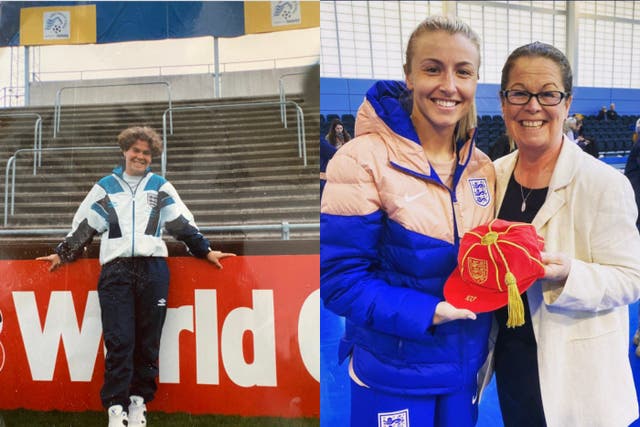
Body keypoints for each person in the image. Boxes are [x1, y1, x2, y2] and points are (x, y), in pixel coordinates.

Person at [321, 16, 495, 426]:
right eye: (433, 68)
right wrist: (428, 311)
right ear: (409, 76)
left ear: (475, 82)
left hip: (464, 370)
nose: (449, 85)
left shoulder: (481, 168)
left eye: (463, 71)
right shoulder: (361, 159)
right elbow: (341, 281)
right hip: (393, 371)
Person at [484, 41, 640, 427]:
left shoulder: (603, 183)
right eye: (519, 93)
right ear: (504, 103)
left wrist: (569, 273)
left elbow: (631, 278)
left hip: (579, 377)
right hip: (513, 364)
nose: (533, 106)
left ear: (567, 104)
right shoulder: (491, 176)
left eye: (548, 93)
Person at [37, 126, 236, 427]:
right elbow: (85, 225)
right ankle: (115, 411)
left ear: (151, 157)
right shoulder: (105, 187)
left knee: (148, 343)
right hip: (116, 271)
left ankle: (138, 405)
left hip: (153, 269)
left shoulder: (159, 187)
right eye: (135, 151)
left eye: (146, 152)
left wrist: (205, 250)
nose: (140, 156)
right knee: (120, 341)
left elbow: (181, 223)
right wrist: (63, 252)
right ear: (125, 151)